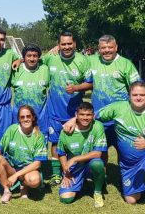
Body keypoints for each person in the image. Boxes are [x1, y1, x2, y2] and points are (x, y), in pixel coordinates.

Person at [64, 81, 145, 214]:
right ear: (129, 96)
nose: (138, 98)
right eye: (135, 94)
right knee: (131, 200)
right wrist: (74, 120)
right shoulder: (118, 108)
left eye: (142, 95)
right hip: (130, 164)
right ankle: (144, 186)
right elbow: (92, 115)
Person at [43, 31, 92, 186]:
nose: (66, 47)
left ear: (75, 44)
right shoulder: (51, 58)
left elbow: (91, 83)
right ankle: (56, 174)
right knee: (56, 143)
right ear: (58, 45)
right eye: (63, 44)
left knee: (77, 142)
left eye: (69, 43)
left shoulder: (83, 60)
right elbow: (32, 61)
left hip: (75, 113)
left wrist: (77, 87)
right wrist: (19, 60)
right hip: (54, 111)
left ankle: (78, 170)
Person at [88, 35, 141, 157]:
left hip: (121, 118)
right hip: (98, 116)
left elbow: (137, 87)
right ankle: (100, 176)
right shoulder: (91, 61)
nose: (107, 50)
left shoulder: (125, 64)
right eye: (103, 48)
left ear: (116, 47)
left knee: (125, 153)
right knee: (99, 153)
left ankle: (126, 176)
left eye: (110, 47)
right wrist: (56, 49)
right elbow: (75, 58)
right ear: (99, 49)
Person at [0, 105, 47, 203]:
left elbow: (37, 163)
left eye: (28, 116)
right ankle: (6, 190)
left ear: (33, 118)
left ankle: (24, 186)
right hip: (11, 168)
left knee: (35, 180)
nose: (25, 119)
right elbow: (0, 147)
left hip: (28, 170)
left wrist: (17, 175)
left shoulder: (39, 136)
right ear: (19, 119)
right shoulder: (12, 129)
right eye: (22, 117)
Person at [57, 102, 107, 208]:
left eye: (88, 115)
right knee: (66, 199)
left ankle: (97, 191)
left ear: (93, 116)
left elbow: (98, 153)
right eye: (82, 115)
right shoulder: (66, 130)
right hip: (75, 167)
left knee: (97, 164)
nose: (85, 118)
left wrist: (75, 158)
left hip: (90, 161)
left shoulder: (98, 126)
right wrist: (66, 171)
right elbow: (61, 153)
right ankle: (81, 181)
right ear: (76, 115)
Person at [11, 44, 49, 142]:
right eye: (29, 56)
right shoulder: (15, 70)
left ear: (39, 57)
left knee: (40, 146)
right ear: (24, 57)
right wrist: (19, 60)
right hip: (19, 117)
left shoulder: (45, 69)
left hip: (40, 117)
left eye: (35, 56)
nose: (32, 59)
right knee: (20, 144)